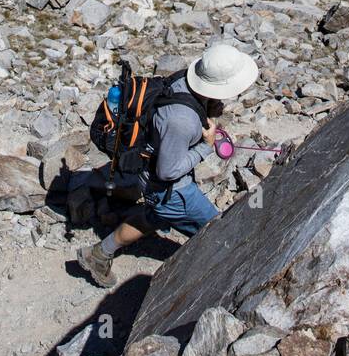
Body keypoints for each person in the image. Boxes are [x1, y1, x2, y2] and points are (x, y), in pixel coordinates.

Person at [76, 42, 258, 288]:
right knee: (220, 234)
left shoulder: (182, 80)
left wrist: (212, 111)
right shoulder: (181, 120)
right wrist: (206, 145)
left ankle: (98, 254)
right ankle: (215, 285)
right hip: (172, 189)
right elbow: (168, 171)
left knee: (154, 215)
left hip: (150, 179)